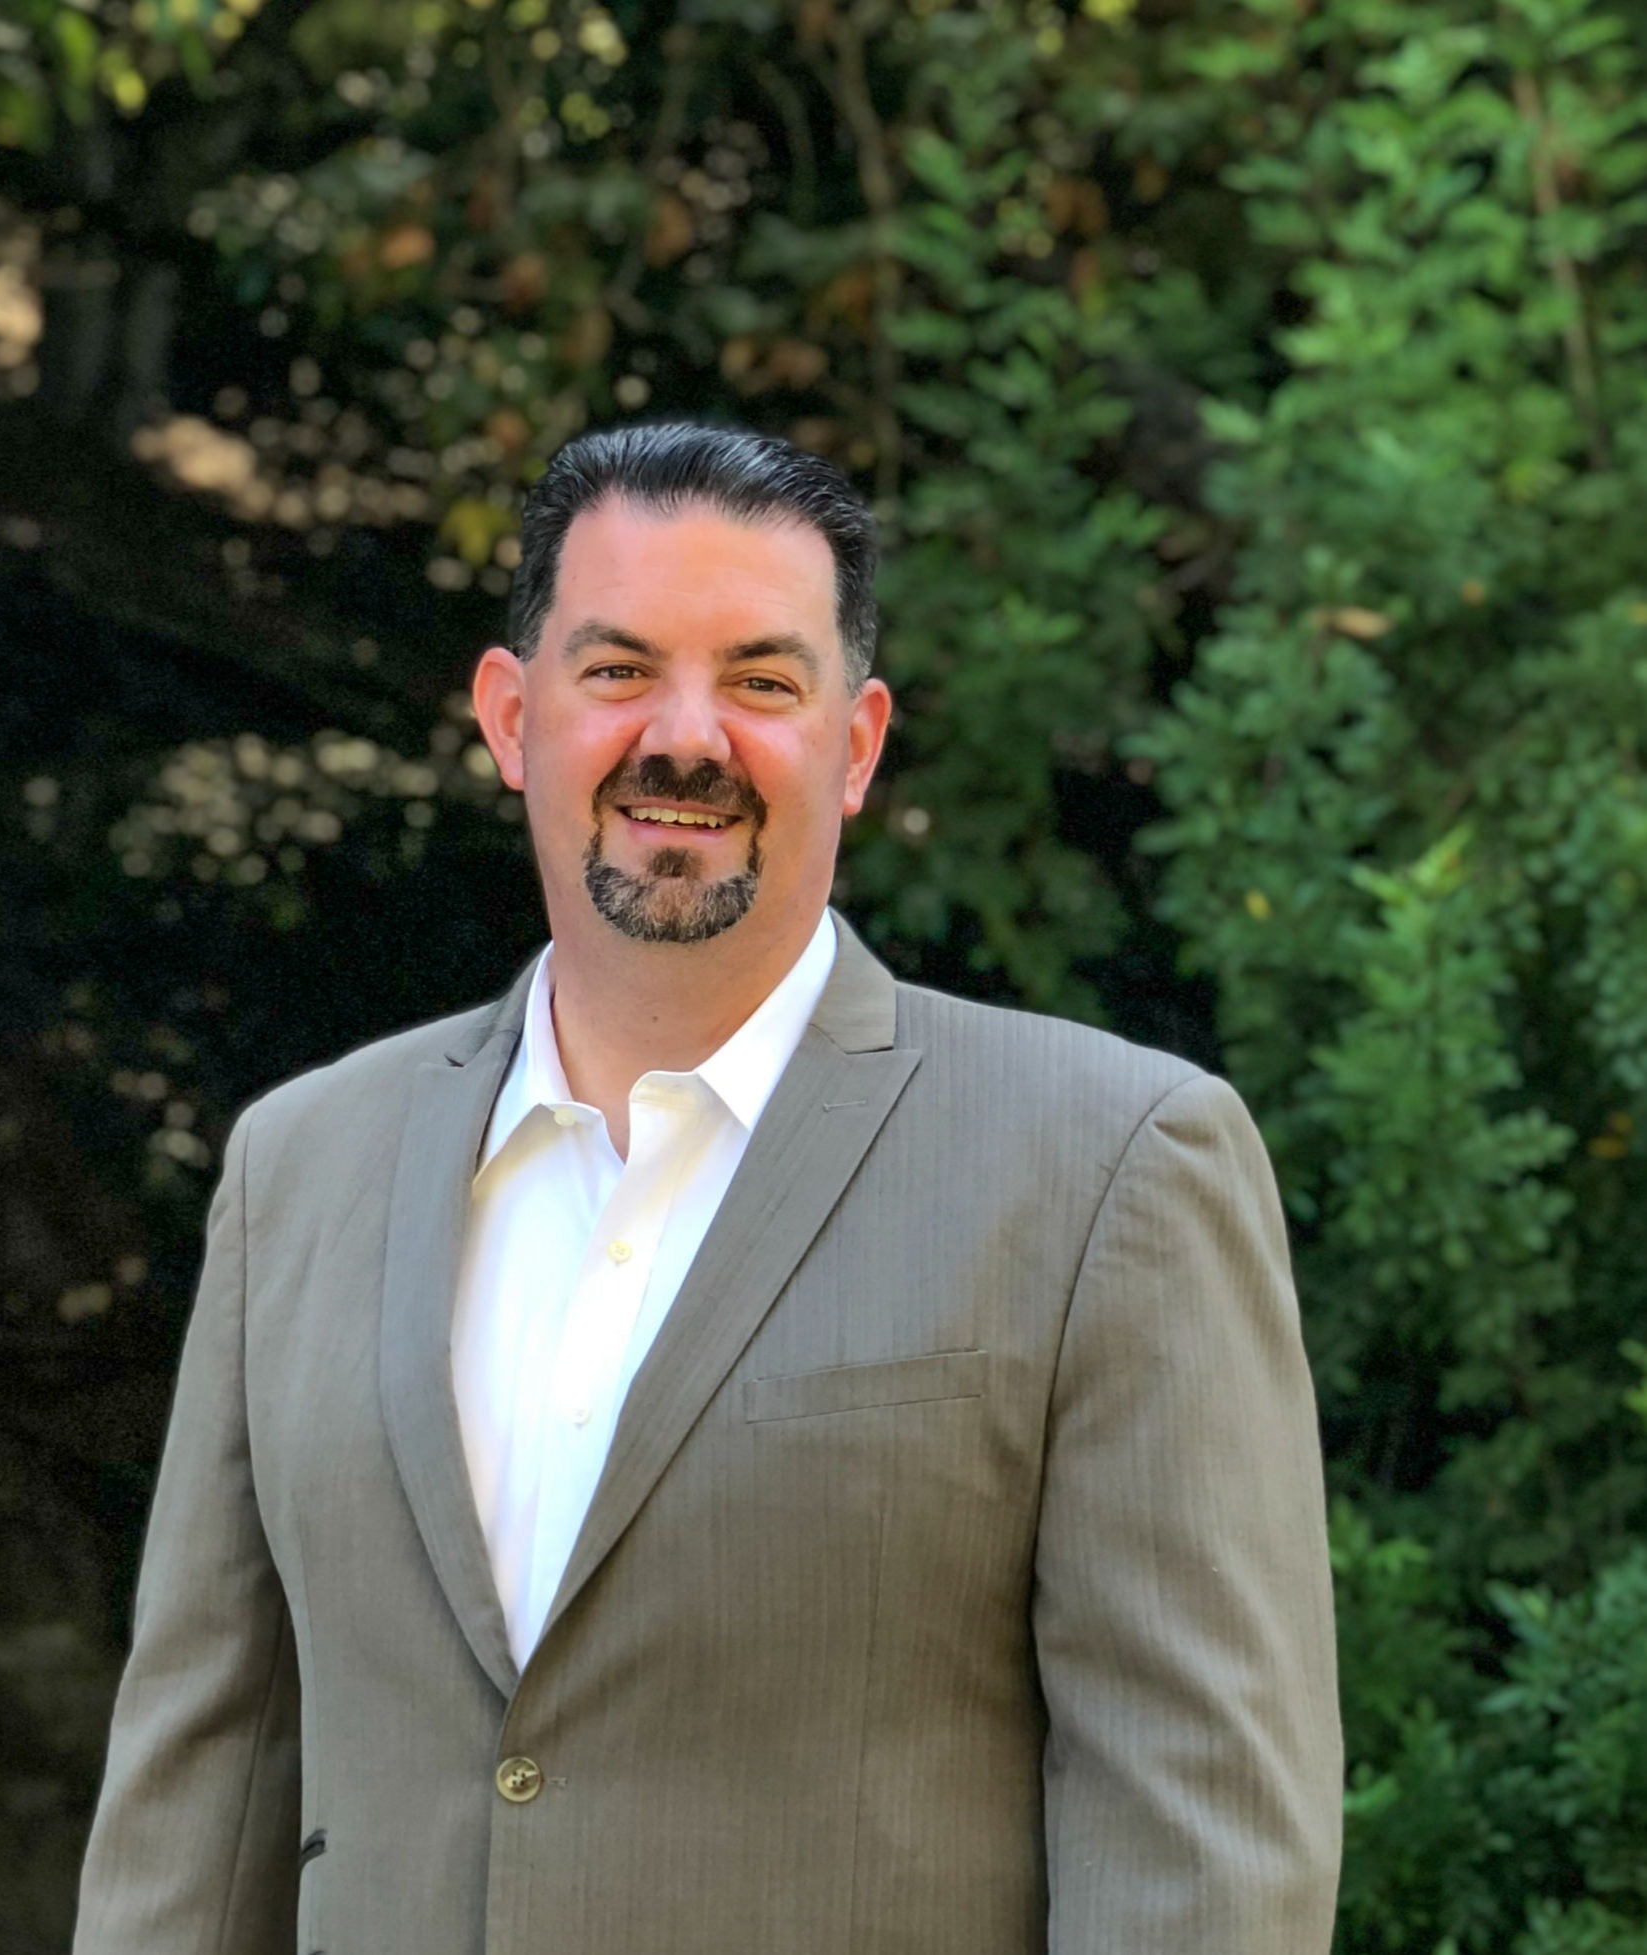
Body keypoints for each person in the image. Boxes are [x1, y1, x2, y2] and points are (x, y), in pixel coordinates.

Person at [72, 421, 1342, 1955]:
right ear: (510, 715)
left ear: (857, 745)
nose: (689, 738)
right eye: (617, 671)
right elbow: (196, 1805)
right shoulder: (299, 1168)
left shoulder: (1110, 1169)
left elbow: (1204, 1857)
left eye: (761, 681)